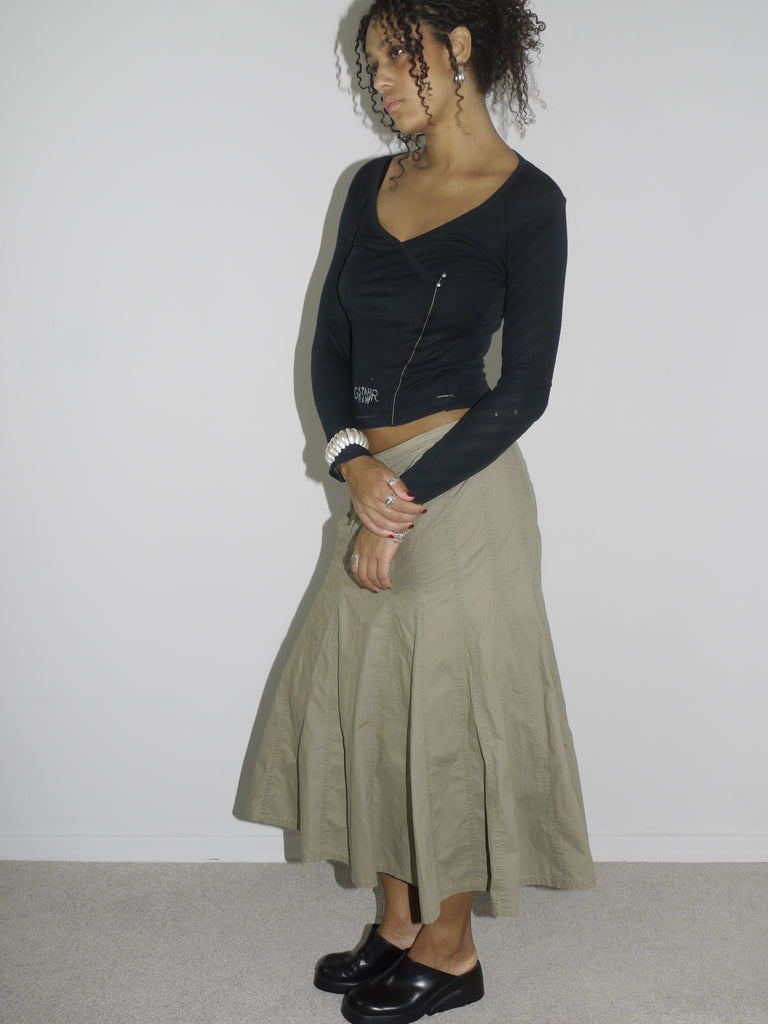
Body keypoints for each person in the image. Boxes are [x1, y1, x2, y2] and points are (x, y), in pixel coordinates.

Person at [233, 1, 596, 1020]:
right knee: (375, 708)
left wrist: (399, 503)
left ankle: (454, 945)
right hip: (375, 484)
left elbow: (524, 389)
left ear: (461, 44)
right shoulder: (369, 186)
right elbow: (328, 344)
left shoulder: (530, 205)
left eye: (396, 59)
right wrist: (351, 468)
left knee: (450, 720)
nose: (381, 84)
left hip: (462, 490)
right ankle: (397, 922)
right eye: (374, 67)